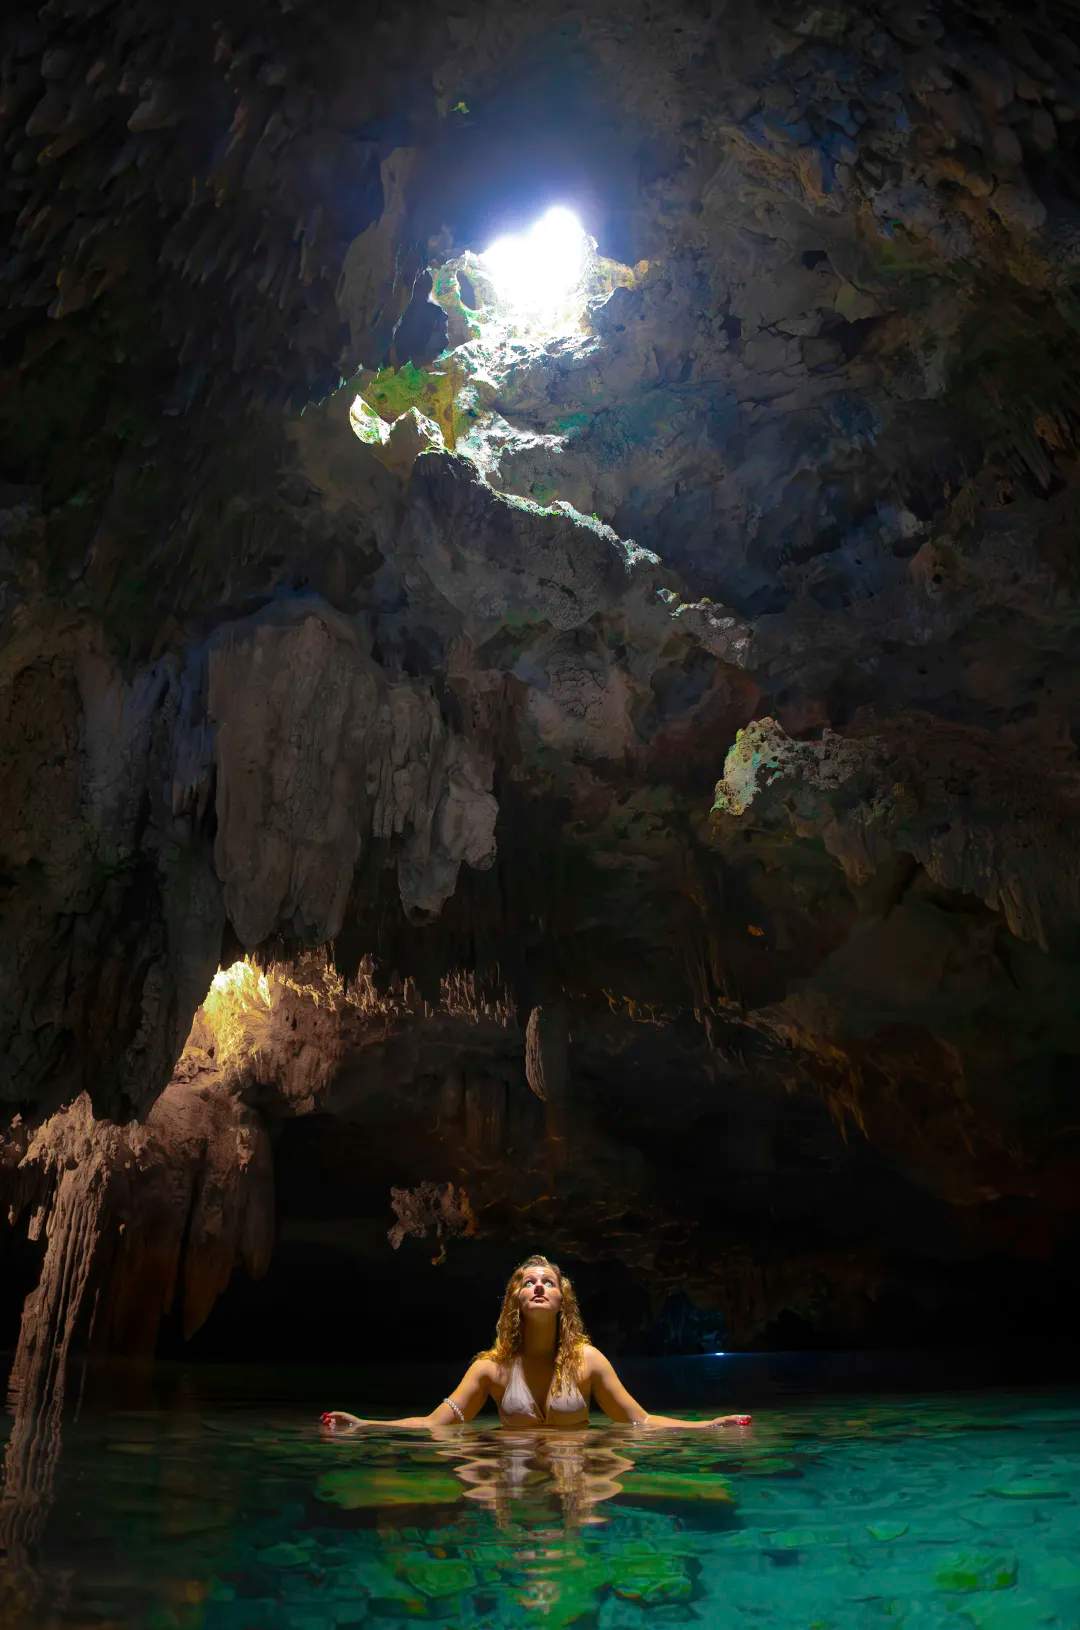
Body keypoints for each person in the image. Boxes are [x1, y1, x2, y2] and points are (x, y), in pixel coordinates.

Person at [321, 1253, 751, 1432]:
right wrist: (365, 1425)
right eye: (529, 1283)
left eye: (549, 1282)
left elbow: (640, 1421)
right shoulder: (490, 1368)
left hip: (577, 1473)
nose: (539, 1287)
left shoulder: (588, 1362)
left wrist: (707, 1427)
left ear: (563, 1300)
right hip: (512, 1472)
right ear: (516, 1299)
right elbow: (435, 1424)